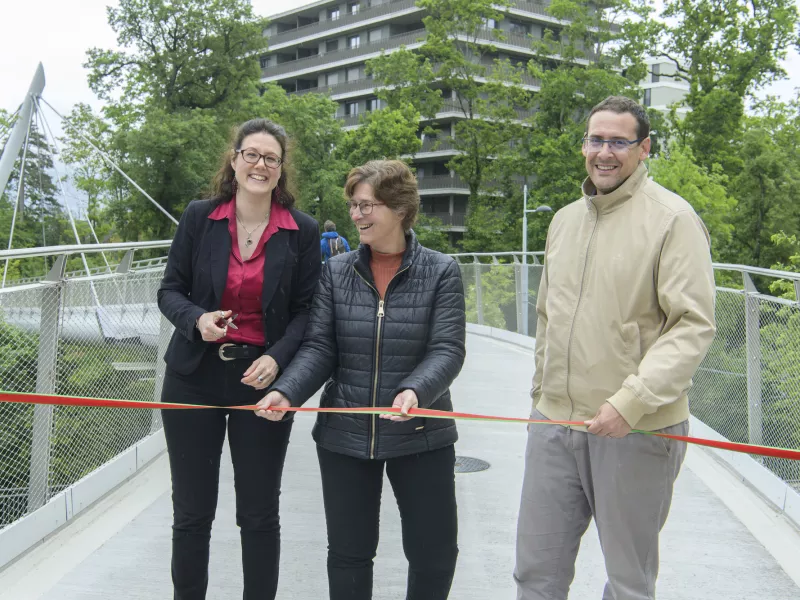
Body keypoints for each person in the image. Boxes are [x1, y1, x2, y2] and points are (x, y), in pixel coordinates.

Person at [514, 96, 717, 600]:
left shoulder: (673, 219)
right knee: (535, 573)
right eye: (595, 139)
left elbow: (692, 326)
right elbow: (546, 314)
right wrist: (542, 397)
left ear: (643, 148)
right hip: (555, 424)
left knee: (629, 582)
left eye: (618, 142)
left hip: (638, 429)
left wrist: (630, 402)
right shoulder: (563, 220)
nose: (604, 152)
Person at [256, 160, 466, 600]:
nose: (357, 215)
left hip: (421, 434)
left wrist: (414, 389)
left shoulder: (442, 271)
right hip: (344, 436)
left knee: (434, 555)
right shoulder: (336, 272)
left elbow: (447, 349)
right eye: (353, 205)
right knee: (349, 555)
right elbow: (319, 348)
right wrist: (286, 391)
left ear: (400, 208)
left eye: (367, 205)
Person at [157, 118, 321, 600]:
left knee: (258, 512)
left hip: (261, 382)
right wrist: (197, 320)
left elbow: (309, 311)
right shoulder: (199, 217)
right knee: (191, 512)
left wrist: (277, 360)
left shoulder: (302, 231)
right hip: (193, 376)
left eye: (271, 158)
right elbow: (169, 291)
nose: (260, 165)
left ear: (281, 169)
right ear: (234, 161)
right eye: (252, 154)